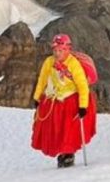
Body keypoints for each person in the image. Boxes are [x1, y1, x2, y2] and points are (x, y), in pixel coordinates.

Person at [31, 33, 97, 167]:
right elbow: (42, 80)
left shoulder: (73, 64)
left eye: (60, 50)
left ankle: (68, 153)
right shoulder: (49, 62)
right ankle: (63, 152)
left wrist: (83, 106)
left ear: (67, 50)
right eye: (55, 50)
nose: (57, 53)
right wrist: (37, 97)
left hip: (70, 101)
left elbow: (82, 86)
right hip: (55, 100)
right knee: (57, 129)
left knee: (68, 129)